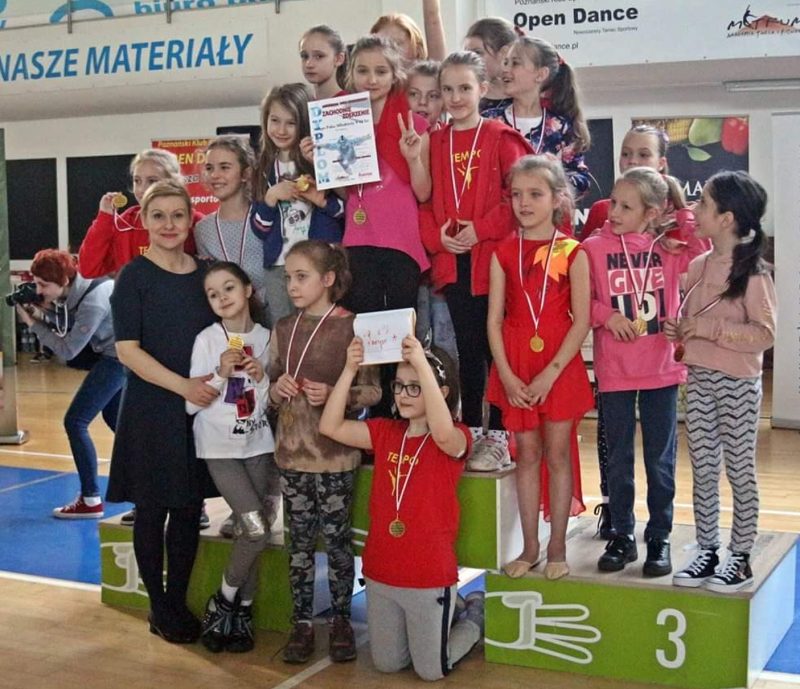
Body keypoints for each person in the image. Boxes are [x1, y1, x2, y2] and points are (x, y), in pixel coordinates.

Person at [320, 334, 483, 681]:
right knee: (388, 664)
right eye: (399, 386)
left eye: (415, 386)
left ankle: (473, 618)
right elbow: (329, 426)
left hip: (428, 577)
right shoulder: (385, 432)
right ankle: (446, 615)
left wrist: (422, 362)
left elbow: (442, 434)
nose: (403, 395)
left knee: (431, 670)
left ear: (441, 392)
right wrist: (349, 370)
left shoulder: (456, 436)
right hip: (381, 573)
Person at [107, 180, 218, 644]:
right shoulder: (133, 277)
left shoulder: (207, 274)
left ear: (190, 219)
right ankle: (159, 605)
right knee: (152, 509)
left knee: (189, 508)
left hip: (198, 410)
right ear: (144, 221)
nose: (169, 224)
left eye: (178, 215)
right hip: (152, 408)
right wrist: (182, 387)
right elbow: (128, 350)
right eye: (159, 216)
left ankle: (176, 600)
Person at [581, 124, 705, 540]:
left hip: (660, 368)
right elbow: (580, 300)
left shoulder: (670, 249)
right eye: (613, 203)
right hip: (615, 369)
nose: (613, 212)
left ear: (651, 212)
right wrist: (606, 316)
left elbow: (704, 257)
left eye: (625, 206)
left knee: (660, 459)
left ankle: (659, 535)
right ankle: (621, 533)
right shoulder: (594, 247)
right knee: (618, 458)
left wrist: (680, 209)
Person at [267, 240, 380, 664]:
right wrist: (275, 390)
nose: (292, 286)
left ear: (328, 279)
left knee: (336, 542)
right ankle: (301, 621)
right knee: (297, 544)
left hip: (335, 457)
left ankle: (340, 620)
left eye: (302, 277)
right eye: (288, 278)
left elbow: (373, 391)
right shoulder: (283, 327)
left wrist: (337, 394)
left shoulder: (353, 328)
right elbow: (270, 386)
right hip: (291, 455)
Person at [420, 51, 531, 469]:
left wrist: (480, 229)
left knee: (495, 351)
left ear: (483, 89)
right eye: (447, 89)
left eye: (464, 88)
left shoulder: (501, 138)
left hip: (494, 263)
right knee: (467, 351)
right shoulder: (434, 141)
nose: (455, 97)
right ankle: (471, 430)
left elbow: (518, 198)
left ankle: (499, 435)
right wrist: (439, 239)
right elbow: (422, 201)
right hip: (454, 264)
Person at [667, 171, 776, 592]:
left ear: (727, 219)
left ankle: (741, 556)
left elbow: (764, 334)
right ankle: (708, 549)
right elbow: (690, 320)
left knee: (739, 470)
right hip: (699, 380)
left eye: (704, 205)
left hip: (737, 384)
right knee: (703, 468)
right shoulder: (697, 266)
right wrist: (679, 330)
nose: (695, 211)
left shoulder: (754, 273)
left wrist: (707, 329)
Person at [487, 155, 593, 580]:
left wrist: (550, 373)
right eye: (517, 195)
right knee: (527, 454)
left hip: (558, 366)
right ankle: (529, 546)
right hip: (516, 363)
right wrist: (507, 375)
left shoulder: (572, 252)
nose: (524, 203)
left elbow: (581, 320)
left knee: (558, 454)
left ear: (557, 199)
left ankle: (557, 546)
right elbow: (493, 320)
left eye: (535, 194)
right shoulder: (502, 252)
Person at [187, 262, 276, 653]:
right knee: (255, 529)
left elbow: (273, 404)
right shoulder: (207, 340)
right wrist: (220, 374)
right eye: (213, 294)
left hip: (258, 447)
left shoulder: (268, 338)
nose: (222, 298)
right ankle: (222, 602)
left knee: (249, 533)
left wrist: (262, 378)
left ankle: (243, 612)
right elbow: (191, 405)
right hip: (220, 449)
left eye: (229, 288)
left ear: (248, 290)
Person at [16, 249, 124, 519]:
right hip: (118, 356)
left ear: (64, 281)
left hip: (118, 359)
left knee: (75, 422)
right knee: (120, 424)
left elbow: (68, 350)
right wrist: (42, 312)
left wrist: (32, 323)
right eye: (36, 284)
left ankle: (90, 500)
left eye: (43, 285)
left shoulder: (93, 301)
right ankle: (148, 487)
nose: (38, 290)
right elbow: (70, 325)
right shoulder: (82, 286)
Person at [340, 35, 431, 316]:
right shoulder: (339, 125)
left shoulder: (415, 126)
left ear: (395, 76)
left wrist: (412, 159)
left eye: (381, 71)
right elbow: (345, 191)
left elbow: (423, 193)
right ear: (351, 73)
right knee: (363, 323)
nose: (371, 79)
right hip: (357, 238)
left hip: (401, 240)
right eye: (363, 71)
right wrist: (318, 162)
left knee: (401, 326)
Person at [251, 83, 344, 326]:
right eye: (274, 120)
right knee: (283, 328)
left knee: (322, 328)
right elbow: (259, 230)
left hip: (318, 264)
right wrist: (271, 198)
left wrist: (321, 200)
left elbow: (346, 211)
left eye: (290, 123)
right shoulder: (263, 168)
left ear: (304, 123)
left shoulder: (320, 160)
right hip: (279, 266)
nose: (281, 130)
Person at [483, 37, 591, 196]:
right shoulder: (488, 122)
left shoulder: (560, 127)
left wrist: (554, 176)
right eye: (505, 62)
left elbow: (581, 179)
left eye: (515, 63)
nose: (505, 69)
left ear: (541, 74)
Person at [78, 148, 201, 278]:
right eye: (137, 181)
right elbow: (88, 269)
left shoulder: (195, 223)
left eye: (152, 181)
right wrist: (104, 218)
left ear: (174, 183)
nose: (142, 189)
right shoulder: (125, 223)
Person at [462, 17, 517, 113]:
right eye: (467, 54)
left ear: (504, 53)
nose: (469, 60)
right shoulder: (464, 100)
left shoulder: (528, 99)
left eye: (478, 53)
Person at [371, 0, 447, 63]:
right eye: (381, 46)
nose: (389, 51)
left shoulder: (430, 74)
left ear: (418, 50)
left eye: (397, 44)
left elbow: (432, 18)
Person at [299, 25, 348, 101]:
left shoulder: (351, 104)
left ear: (339, 59)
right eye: (305, 56)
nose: (308, 64)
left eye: (319, 56)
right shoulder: (303, 103)